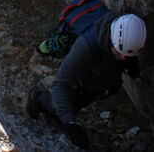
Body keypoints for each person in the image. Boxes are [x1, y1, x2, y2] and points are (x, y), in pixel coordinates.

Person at [27, 12, 147, 149]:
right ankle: (37, 97)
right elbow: (60, 84)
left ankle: (65, 113)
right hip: (81, 84)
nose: (123, 58)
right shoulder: (86, 47)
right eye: (120, 53)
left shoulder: (127, 36)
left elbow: (124, 55)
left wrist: (130, 64)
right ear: (112, 39)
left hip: (96, 84)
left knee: (74, 106)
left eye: (126, 55)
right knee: (63, 108)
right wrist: (70, 123)